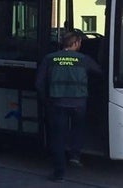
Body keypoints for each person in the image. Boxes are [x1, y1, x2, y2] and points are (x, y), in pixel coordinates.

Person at [35, 31, 101, 182]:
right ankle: (75, 155)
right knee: (78, 128)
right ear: (76, 43)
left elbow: (39, 84)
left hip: (57, 103)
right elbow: (99, 73)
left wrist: (46, 100)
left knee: (58, 137)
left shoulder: (49, 58)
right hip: (79, 104)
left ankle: (59, 173)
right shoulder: (84, 59)